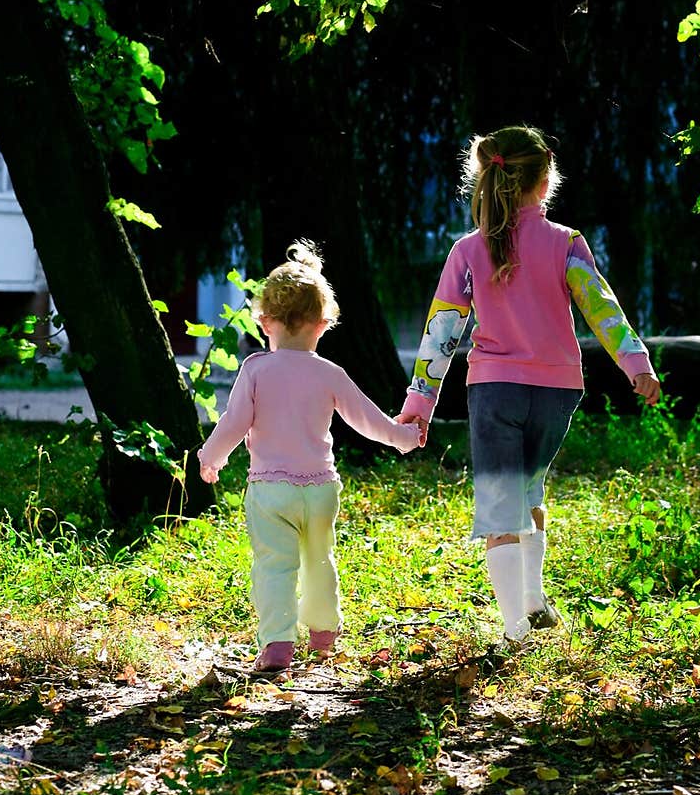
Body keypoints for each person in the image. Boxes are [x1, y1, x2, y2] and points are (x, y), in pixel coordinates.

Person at [397, 125, 661, 648]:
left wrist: (419, 402)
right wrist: (637, 364)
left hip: (495, 389)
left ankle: (515, 630)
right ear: (545, 184)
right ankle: (534, 600)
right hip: (557, 390)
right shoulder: (566, 243)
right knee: (530, 489)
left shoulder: (467, 251)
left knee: (500, 504)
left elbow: (441, 333)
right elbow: (601, 308)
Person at [198, 239, 423, 674]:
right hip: (320, 490)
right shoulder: (329, 374)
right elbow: (367, 420)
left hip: (270, 491)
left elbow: (233, 423)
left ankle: (278, 645)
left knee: (275, 567)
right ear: (323, 323)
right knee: (320, 560)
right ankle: (324, 636)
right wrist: (403, 437)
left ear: (266, 322)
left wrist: (212, 457)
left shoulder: (257, 370)